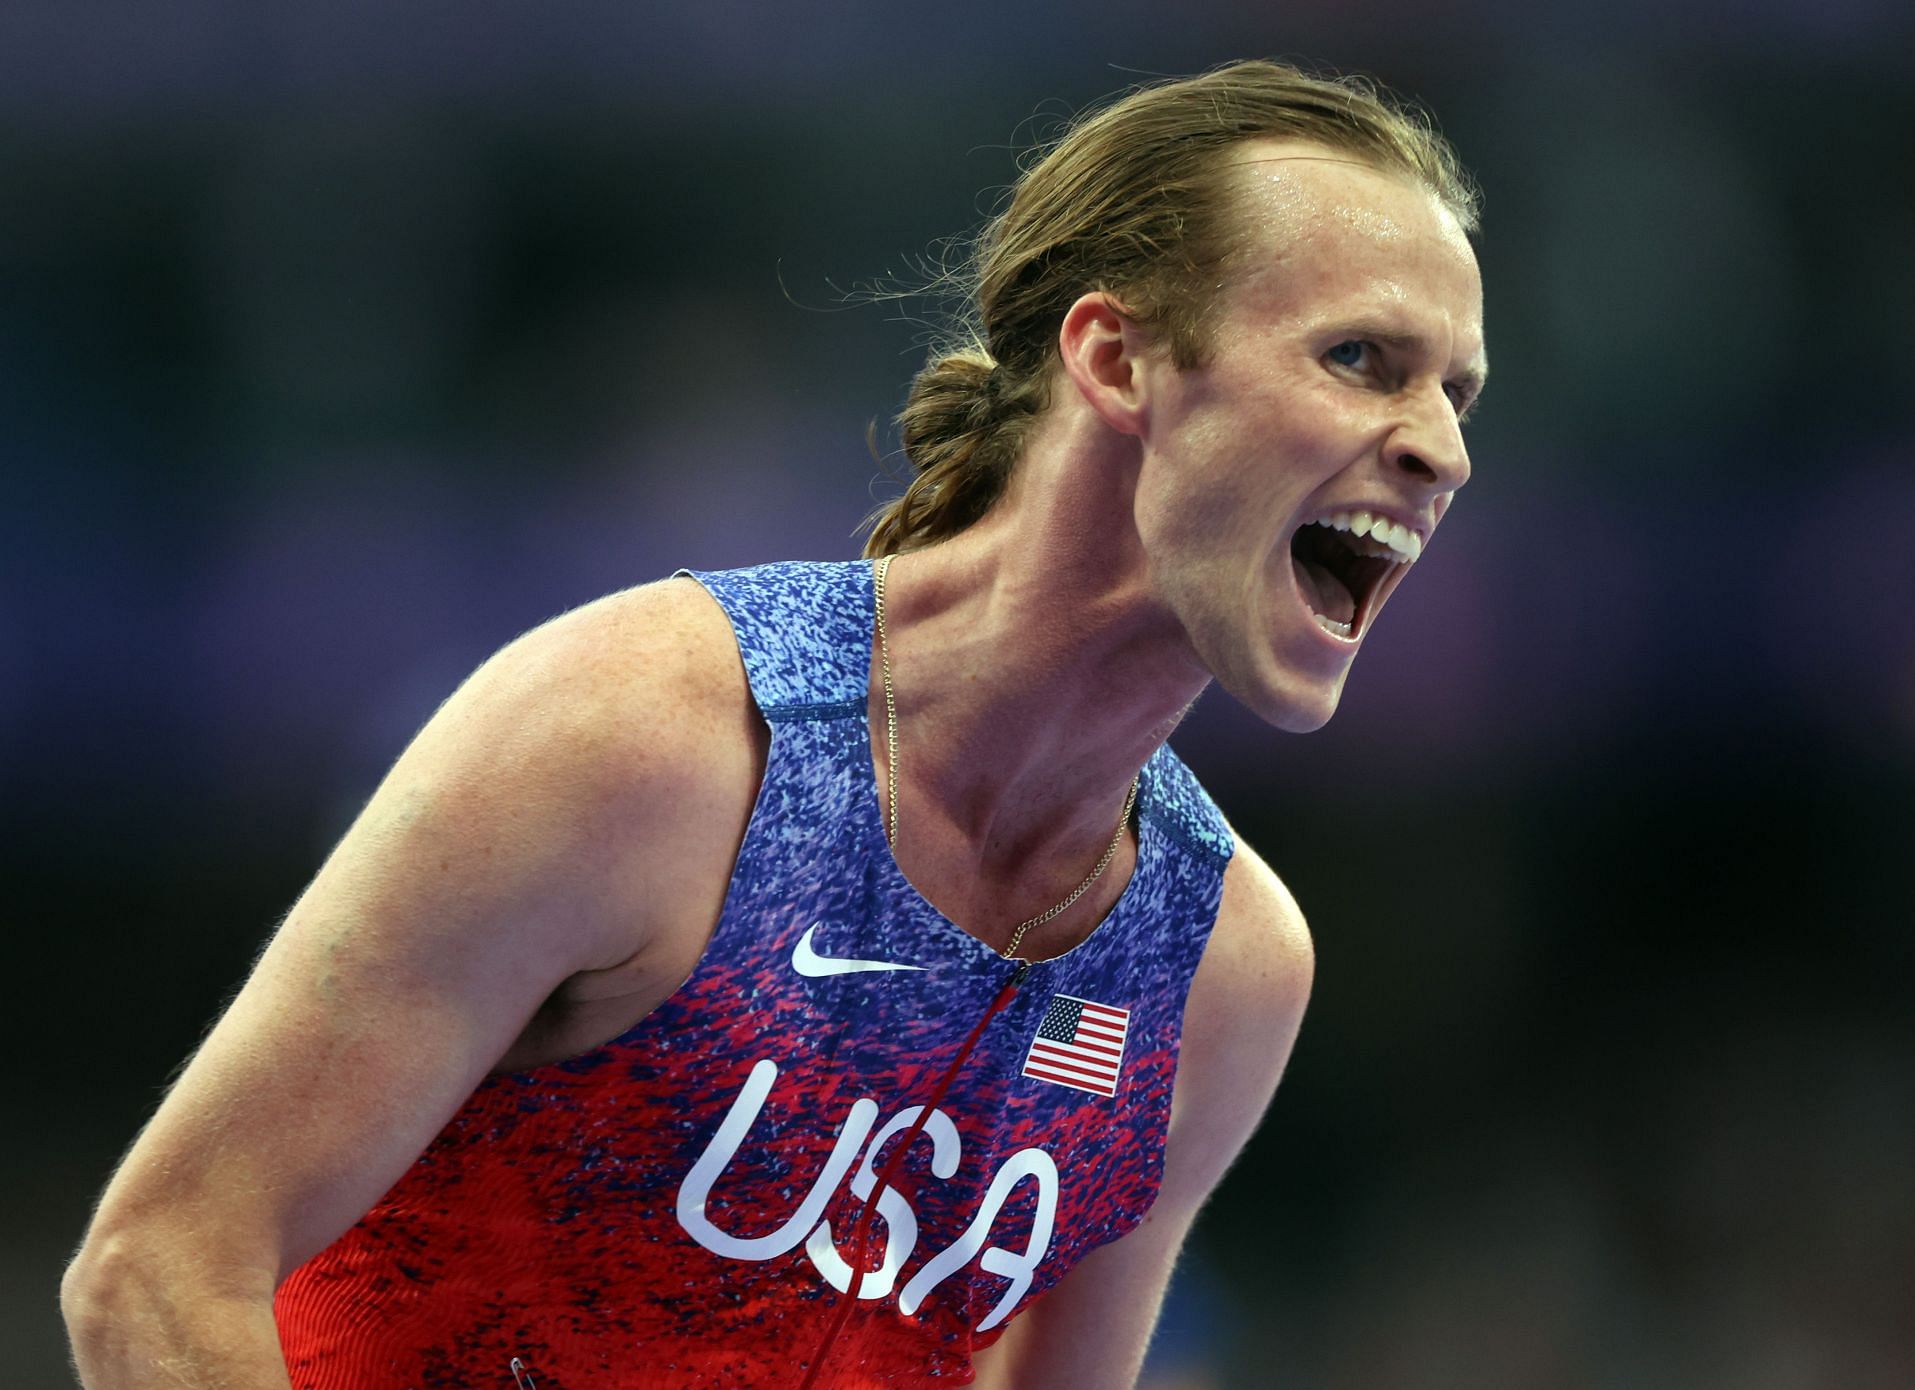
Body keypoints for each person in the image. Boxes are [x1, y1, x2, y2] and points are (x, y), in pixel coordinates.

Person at [62, 59, 1487, 1389]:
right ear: (1117, 363)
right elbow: (156, 1270)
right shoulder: (644, 738)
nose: (1443, 446)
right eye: (1362, 357)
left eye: (1457, 389)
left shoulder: (1225, 968)